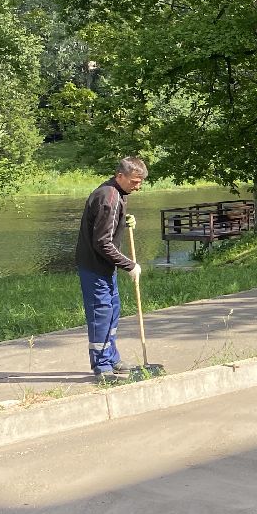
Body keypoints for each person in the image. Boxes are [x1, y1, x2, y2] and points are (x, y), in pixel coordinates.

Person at [75, 157, 147, 381]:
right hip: (95, 266)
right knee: (101, 313)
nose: (138, 186)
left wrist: (123, 220)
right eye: (135, 181)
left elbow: (105, 223)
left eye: (141, 182)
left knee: (112, 311)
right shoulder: (110, 197)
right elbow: (102, 243)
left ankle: (112, 358)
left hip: (104, 266)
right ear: (120, 176)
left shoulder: (115, 193)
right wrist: (129, 265)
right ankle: (102, 366)